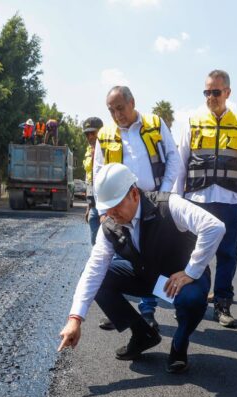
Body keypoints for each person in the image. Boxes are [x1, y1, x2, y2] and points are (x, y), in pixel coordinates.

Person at [57, 163, 225, 373]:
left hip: (180, 281)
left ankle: (179, 345)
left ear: (134, 194)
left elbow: (214, 227)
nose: (111, 213)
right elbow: (94, 271)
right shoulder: (109, 226)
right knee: (100, 279)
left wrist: (191, 271)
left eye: (116, 205)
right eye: (107, 207)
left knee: (191, 300)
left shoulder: (168, 204)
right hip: (147, 277)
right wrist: (75, 319)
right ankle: (143, 334)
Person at [93, 85, 182, 331]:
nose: (117, 115)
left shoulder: (154, 124)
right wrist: (102, 210)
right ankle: (119, 311)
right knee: (120, 260)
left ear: (132, 102)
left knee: (150, 261)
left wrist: (163, 193)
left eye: (120, 108)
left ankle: (148, 311)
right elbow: (97, 172)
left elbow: (173, 158)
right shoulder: (106, 134)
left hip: (151, 206)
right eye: (111, 110)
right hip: (120, 206)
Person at [174, 69, 237, 328]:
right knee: (194, 253)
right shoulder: (193, 120)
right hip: (196, 200)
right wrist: (176, 200)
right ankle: (192, 302)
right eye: (207, 92)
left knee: (227, 255)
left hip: (229, 202)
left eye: (216, 92)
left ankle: (222, 305)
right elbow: (181, 163)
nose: (211, 96)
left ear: (228, 93)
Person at [83, 116, 104, 245]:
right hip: (93, 208)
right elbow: (89, 178)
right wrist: (88, 207)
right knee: (95, 244)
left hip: (108, 209)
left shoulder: (109, 150)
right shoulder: (87, 151)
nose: (90, 136)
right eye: (87, 134)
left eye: (93, 133)